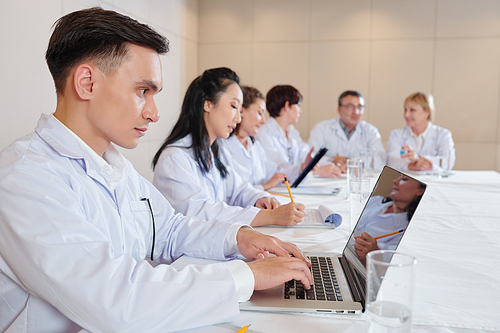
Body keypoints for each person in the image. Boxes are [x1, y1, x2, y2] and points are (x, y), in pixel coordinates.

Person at [0, 8, 313, 332]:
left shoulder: (114, 167)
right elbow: (117, 299)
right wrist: (248, 276)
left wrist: (239, 237)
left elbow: (169, 230)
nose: (153, 113)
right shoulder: (25, 181)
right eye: (143, 91)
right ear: (87, 83)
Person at [152, 68, 305, 227]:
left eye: (240, 110)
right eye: (233, 106)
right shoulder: (175, 159)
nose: (238, 118)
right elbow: (199, 213)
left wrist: (260, 199)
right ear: (208, 104)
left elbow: (239, 189)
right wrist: (269, 217)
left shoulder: (214, 152)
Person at [255, 85, 341, 182]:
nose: (301, 111)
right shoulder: (264, 134)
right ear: (287, 106)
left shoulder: (292, 132)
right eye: (298, 106)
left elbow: (306, 155)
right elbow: (274, 171)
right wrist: (315, 171)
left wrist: (335, 164)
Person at [349, 174, 426, 263]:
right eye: (398, 177)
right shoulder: (376, 200)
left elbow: (392, 259)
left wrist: (375, 254)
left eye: (404, 179)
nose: (395, 181)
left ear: (420, 191)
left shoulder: (406, 228)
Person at [223, 86, 285, 191]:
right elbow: (232, 194)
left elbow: (273, 172)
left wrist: (301, 168)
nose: (263, 121)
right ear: (241, 110)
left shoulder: (255, 146)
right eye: (259, 113)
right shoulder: (223, 147)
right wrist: (265, 186)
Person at [308, 90, 386, 173]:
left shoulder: (371, 131)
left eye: (360, 107)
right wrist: (333, 162)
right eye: (350, 107)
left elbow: (379, 161)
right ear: (339, 109)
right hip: (328, 180)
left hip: (359, 179)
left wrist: (351, 162)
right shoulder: (322, 128)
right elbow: (310, 157)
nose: (356, 112)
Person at [387, 92, 456, 172]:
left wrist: (417, 158)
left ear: (427, 112)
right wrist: (413, 166)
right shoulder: (396, 135)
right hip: (405, 182)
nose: (406, 114)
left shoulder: (443, 134)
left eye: (412, 110)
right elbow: (391, 162)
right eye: (405, 110)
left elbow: (447, 162)